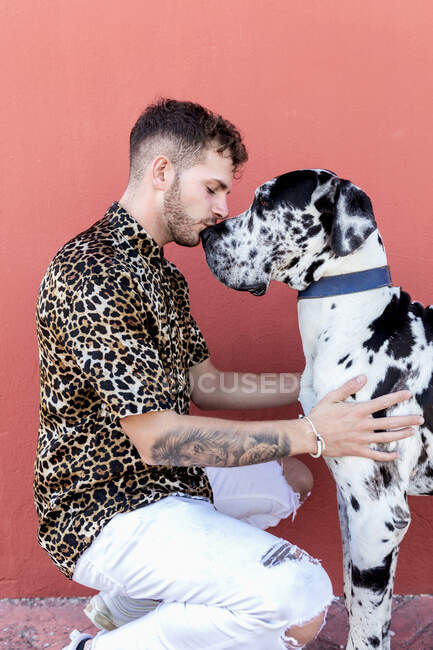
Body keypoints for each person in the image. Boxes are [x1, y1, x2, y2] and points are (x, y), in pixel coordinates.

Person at [34, 98, 423, 650]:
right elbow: (160, 439)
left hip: (165, 484)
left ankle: (127, 606)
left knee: (292, 477)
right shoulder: (94, 275)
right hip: (105, 507)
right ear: (163, 172)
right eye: (213, 188)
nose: (222, 208)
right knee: (301, 604)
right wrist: (314, 433)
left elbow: (206, 383)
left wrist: (323, 389)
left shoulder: (158, 271)